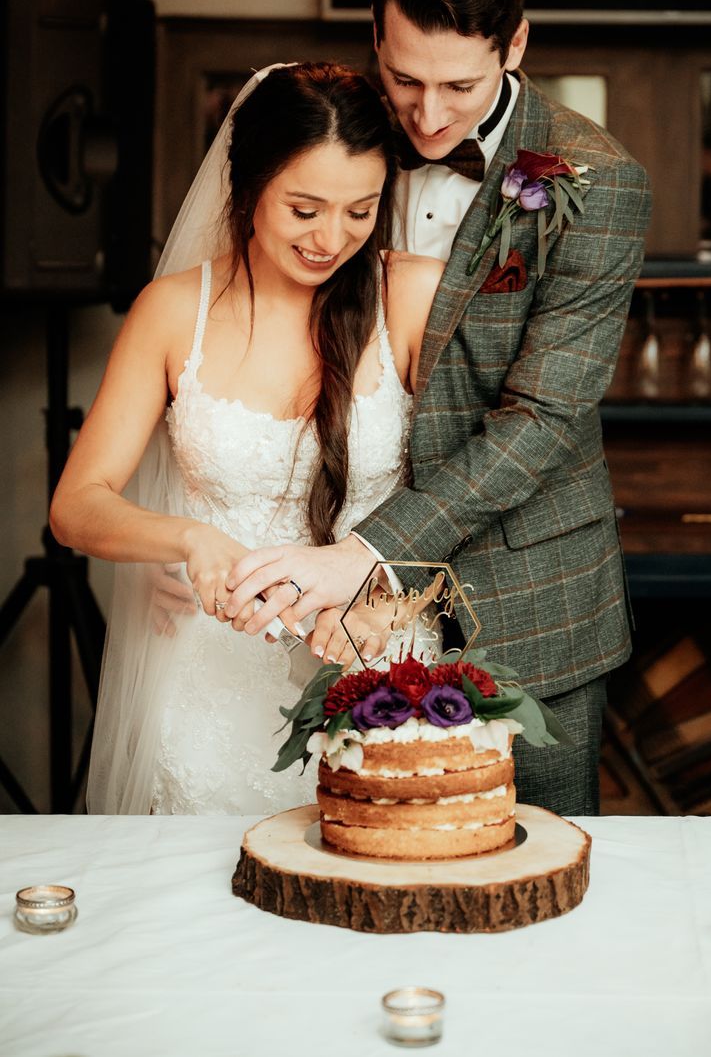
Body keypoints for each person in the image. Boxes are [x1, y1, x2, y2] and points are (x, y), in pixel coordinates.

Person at [221, 0, 653, 816]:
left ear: (516, 43)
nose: (425, 113)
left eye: (458, 87)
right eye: (402, 76)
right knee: (352, 858)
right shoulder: (339, 133)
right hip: (334, 618)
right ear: (374, 35)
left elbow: (539, 422)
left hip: (528, 603)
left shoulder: (595, 180)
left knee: (536, 871)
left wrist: (366, 555)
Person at [49, 61, 443, 814]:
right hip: (209, 684)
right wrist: (187, 540)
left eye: (360, 212)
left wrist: (382, 601)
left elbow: (473, 494)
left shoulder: (414, 296)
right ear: (249, 184)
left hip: (374, 658)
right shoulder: (171, 312)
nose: (333, 239)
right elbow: (78, 504)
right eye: (305, 208)